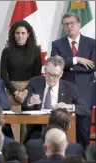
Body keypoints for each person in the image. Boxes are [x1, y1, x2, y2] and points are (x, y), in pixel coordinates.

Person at [51, 12, 95, 149]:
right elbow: (55, 64)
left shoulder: (92, 43)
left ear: (79, 24)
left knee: (83, 131)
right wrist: (77, 60)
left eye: (72, 23)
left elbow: (93, 66)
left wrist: (68, 67)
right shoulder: (57, 44)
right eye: (66, 24)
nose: (69, 26)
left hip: (85, 92)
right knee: (63, 130)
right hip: (65, 91)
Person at [22, 56, 89, 143]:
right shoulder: (35, 82)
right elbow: (23, 104)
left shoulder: (70, 88)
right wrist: (30, 101)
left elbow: (85, 109)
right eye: (48, 74)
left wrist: (68, 106)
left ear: (61, 74)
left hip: (61, 131)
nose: (51, 78)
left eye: (55, 75)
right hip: (37, 131)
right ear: (45, 70)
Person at [0, 20, 42, 141]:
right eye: (17, 33)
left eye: (23, 33)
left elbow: (37, 75)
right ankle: (15, 149)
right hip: (11, 90)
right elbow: (3, 74)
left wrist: (25, 91)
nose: (20, 36)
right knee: (14, 124)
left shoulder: (35, 51)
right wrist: (15, 92)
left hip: (29, 89)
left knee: (28, 123)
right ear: (13, 34)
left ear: (28, 34)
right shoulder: (6, 51)